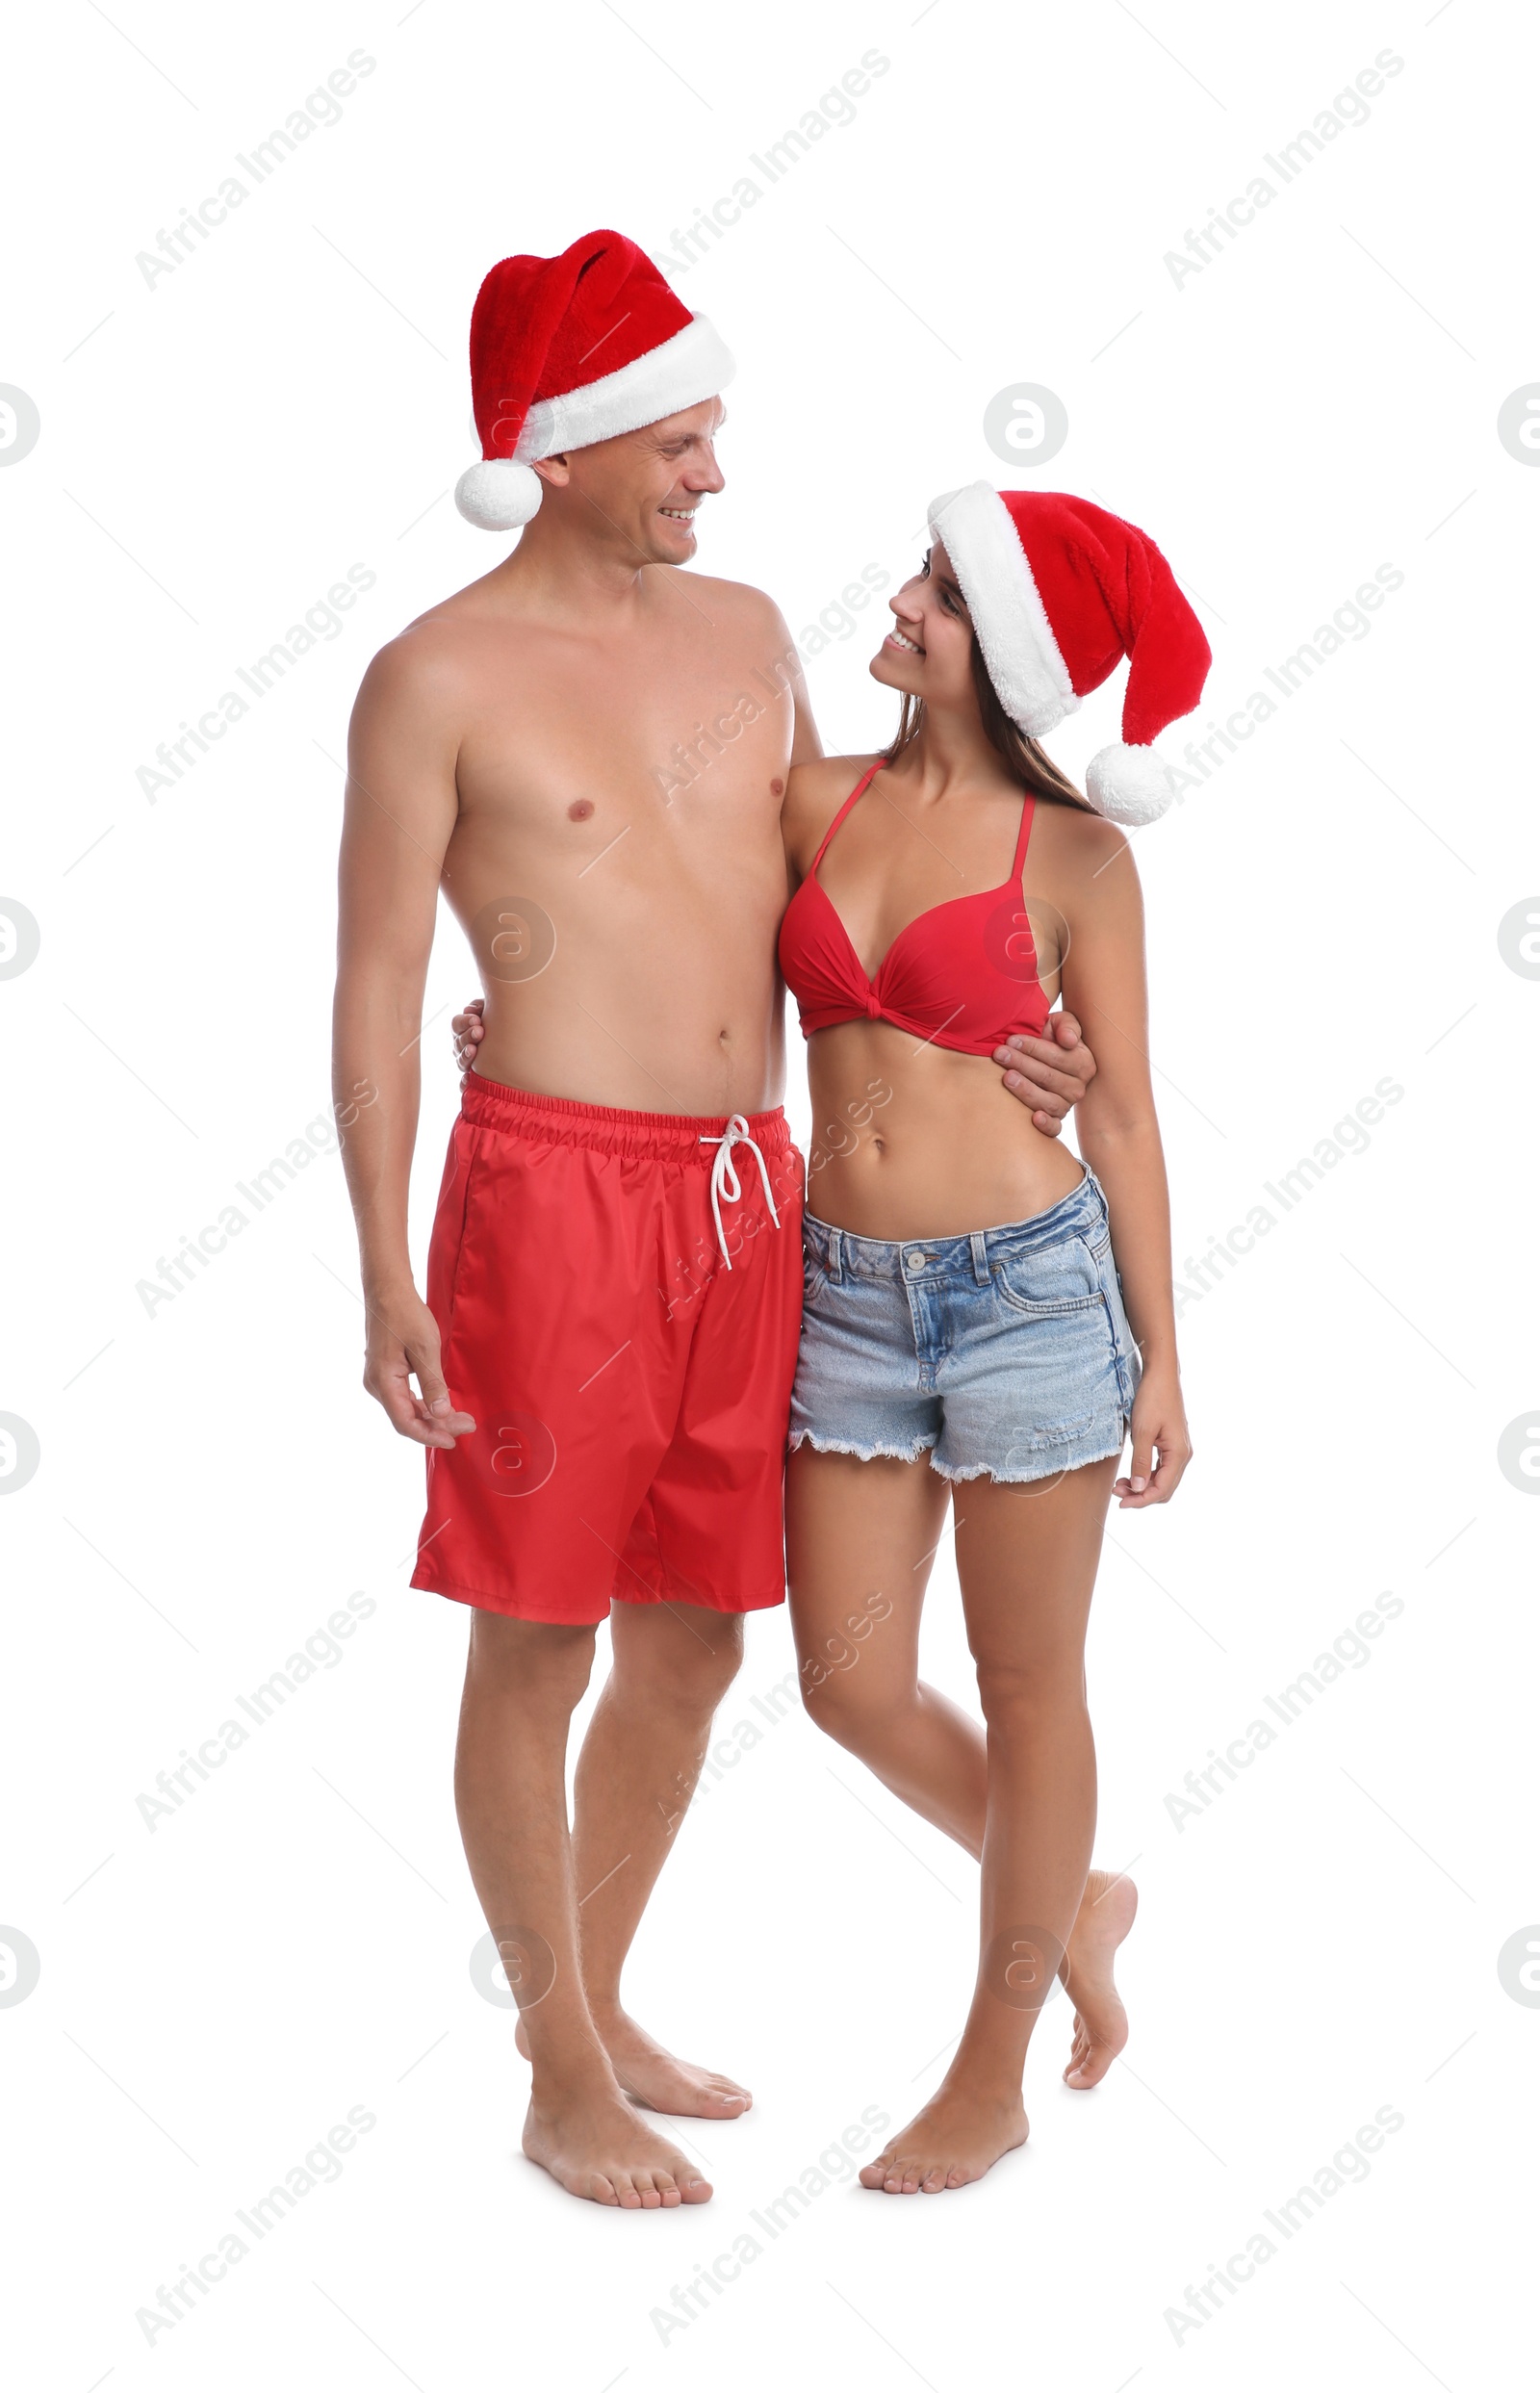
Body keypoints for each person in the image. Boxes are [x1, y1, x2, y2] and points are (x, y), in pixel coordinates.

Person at [332, 230, 1099, 2213]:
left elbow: (849, 861)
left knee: (691, 1648)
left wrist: (1026, 1040)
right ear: (565, 450)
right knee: (536, 1637)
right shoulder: (431, 676)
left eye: (709, 436)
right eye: (677, 440)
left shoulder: (752, 630)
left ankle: (592, 1993)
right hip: (545, 1205)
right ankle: (556, 2065)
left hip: (746, 1203)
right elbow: (367, 988)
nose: (712, 475)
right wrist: (382, 1261)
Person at [775, 483, 1208, 2193]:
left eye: (944, 593)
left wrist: (1165, 1352)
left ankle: (992, 2065)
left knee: (1034, 1693)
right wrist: (531, 1012)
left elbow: (1126, 1122)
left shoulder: (1084, 858)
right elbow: (693, 973)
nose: (900, 597)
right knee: (845, 1683)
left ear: (1007, 657)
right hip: (845, 1300)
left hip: (1032, 1299)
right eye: (922, 569)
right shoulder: (808, 801)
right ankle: (1072, 1890)